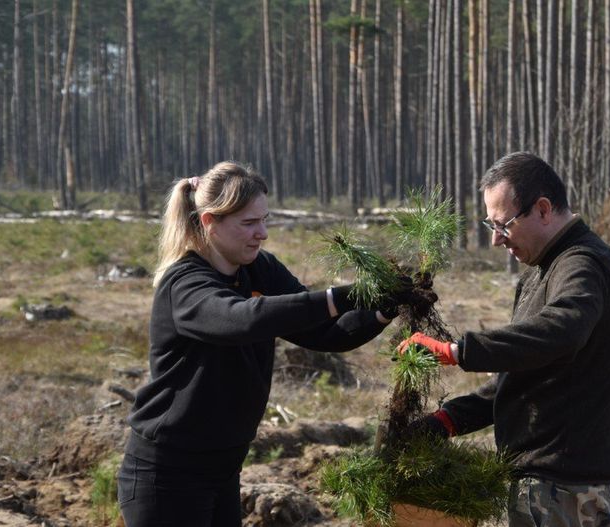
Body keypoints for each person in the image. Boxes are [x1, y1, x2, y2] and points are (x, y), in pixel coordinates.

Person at [119, 161, 400, 526]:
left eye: (265, 220)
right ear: (209, 223)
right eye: (249, 223)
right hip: (167, 477)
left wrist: (383, 309)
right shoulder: (184, 284)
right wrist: (342, 296)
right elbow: (243, 318)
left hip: (224, 470)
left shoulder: (259, 269)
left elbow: (325, 331)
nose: (262, 233)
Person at [397, 152, 610, 527]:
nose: (495, 240)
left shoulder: (582, 264)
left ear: (542, 209)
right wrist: (450, 419)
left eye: (503, 225)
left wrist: (459, 351)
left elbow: (563, 330)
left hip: (570, 491)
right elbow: (524, 374)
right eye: (491, 225)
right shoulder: (538, 273)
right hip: (543, 485)